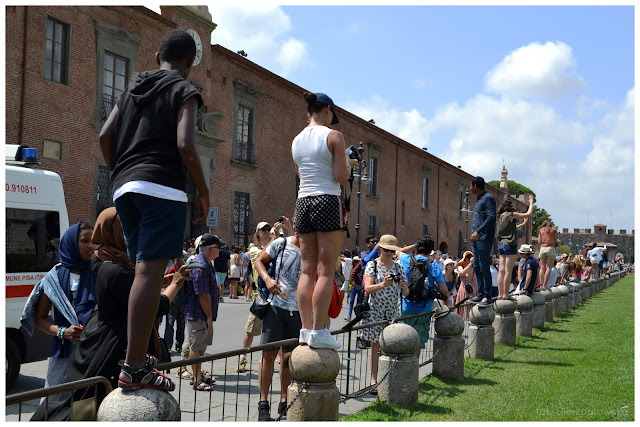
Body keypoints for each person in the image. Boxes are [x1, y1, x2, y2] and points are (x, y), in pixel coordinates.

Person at [99, 29, 209, 389]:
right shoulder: (184, 89)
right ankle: (133, 367)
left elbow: (105, 136)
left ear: (156, 55)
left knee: (140, 271)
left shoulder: (132, 87)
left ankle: (139, 356)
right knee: (148, 273)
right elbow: (185, 144)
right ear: (189, 63)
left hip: (124, 188)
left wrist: (120, 173)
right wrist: (203, 192)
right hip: (162, 187)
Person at [30, 208, 190, 420]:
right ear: (112, 232)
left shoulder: (105, 258)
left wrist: (159, 282)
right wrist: (177, 284)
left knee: (87, 398)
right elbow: (154, 306)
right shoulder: (115, 270)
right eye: (128, 230)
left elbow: (134, 286)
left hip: (99, 340)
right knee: (88, 402)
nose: (135, 235)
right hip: (109, 347)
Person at [291, 91, 358, 350]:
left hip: (303, 201)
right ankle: (319, 331)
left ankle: (305, 329)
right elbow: (340, 177)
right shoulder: (334, 136)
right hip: (328, 200)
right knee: (326, 271)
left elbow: (301, 175)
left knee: (307, 269)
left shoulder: (296, 140)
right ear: (328, 110)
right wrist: (349, 164)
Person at [20, 222, 96, 390]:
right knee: (53, 402)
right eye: (85, 241)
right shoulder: (53, 278)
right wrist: (63, 332)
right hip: (63, 352)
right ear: (70, 243)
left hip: (92, 351)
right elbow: (39, 319)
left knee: (85, 403)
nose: (91, 246)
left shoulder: (99, 273)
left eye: (93, 241)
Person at [254, 217, 300, 421]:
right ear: (297, 226)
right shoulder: (281, 243)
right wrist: (268, 279)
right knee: (268, 355)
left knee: (288, 359)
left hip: (298, 312)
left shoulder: (314, 249)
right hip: (276, 307)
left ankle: (284, 400)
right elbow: (259, 261)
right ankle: (263, 403)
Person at [360, 234, 408, 394]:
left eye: (392, 250)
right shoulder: (372, 265)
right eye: (386, 249)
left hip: (393, 311)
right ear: (379, 248)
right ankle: (374, 380)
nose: (389, 252)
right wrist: (383, 284)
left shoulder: (398, 267)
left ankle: (386, 376)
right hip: (376, 311)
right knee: (375, 346)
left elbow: (406, 293)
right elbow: (367, 289)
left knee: (389, 346)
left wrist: (404, 287)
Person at [236, 221, 278, 372]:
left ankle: (271, 359)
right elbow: (263, 256)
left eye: (268, 229)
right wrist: (275, 238)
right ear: (258, 234)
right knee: (251, 328)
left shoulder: (277, 245)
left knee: (275, 328)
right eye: (263, 230)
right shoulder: (254, 249)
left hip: (275, 293)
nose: (267, 231)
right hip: (260, 294)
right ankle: (243, 358)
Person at [397, 235, 447, 357]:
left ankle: (402, 367)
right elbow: (444, 291)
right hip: (424, 310)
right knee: (417, 342)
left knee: (403, 339)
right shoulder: (434, 265)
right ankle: (413, 371)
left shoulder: (406, 259)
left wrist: (415, 244)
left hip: (406, 307)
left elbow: (399, 251)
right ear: (431, 251)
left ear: (418, 248)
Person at [184, 233, 221, 391]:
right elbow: (203, 295)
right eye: (219, 248)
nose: (220, 250)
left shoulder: (206, 263)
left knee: (201, 347)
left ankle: (198, 373)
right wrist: (209, 315)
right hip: (198, 314)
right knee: (195, 346)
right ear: (212, 249)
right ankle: (196, 379)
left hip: (202, 314)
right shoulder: (200, 265)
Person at [496, 196, 533, 299]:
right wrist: (531, 203)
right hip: (510, 245)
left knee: (501, 270)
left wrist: (523, 224)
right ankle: (505, 295)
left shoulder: (500, 217)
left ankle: (500, 294)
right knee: (508, 271)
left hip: (501, 245)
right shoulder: (511, 214)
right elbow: (528, 214)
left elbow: (512, 228)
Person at [468, 176, 497, 305]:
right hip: (477, 238)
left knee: (484, 266)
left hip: (484, 237)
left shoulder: (488, 198)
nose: (469, 188)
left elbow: (491, 217)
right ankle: (480, 294)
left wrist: (478, 231)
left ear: (475, 186)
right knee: (476, 266)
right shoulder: (480, 199)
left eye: (470, 186)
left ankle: (487, 296)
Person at [454, 251, 477, 319]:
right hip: (464, 289)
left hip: (474, 289)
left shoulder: (475, 267)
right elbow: (462, 273)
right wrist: (470, 264)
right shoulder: (460, 267)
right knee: (464, 308)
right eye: (468, 257)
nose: (470, 259)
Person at [537, 220, 558, 290]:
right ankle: (545, 285)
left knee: (542, 268)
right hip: (550, 247)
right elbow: (555, 241)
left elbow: (539, 241)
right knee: (549, 268)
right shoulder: (554, 230)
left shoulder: (541, 230)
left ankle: (541, 285)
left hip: (542, 248)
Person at [345, 256, 364, 320]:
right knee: (351, 302)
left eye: (357, 261)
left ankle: (358, 316)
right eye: (355, 261)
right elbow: (351, 278)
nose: (356, 263)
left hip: (360, 288)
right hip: (353, 287)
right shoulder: (352, 269)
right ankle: (349, 316)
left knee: (359, 303)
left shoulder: (362, 269)